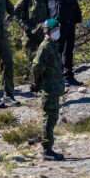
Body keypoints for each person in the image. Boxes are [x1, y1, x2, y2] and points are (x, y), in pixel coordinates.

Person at [45, 0, 85, 86]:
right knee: (58, 50)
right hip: (58, 22)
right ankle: (58, 77)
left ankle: (68, 76)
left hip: (70, 20)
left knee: (69, 50)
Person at [32, 19, 66, 161]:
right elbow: (37, 66)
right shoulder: (45, 47)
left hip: (54, 88)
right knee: (49, 119)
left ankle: (49, 148)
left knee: (53, 118)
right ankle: (46, 149)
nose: (57, 32)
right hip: (48, 89)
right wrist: (37, 83)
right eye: (55, 29)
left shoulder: (52, 45)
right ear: (48, 31)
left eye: (58, 29)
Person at [13, 0, 49, 89]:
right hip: (30, 35)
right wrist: (23, 25)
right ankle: (33, 83)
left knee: (44, 58)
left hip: (43, 33)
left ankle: (43, 83)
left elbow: (50, 12)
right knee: (32, 59)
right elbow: (15, 13)